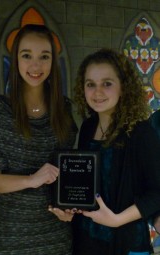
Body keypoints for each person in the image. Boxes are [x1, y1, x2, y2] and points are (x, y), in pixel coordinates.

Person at [0, 24, 78, 254]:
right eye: (27, 55)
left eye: (44, 56)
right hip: (10, 234)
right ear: (16, 60)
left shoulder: (64, 110)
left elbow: (68, 175)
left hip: (55, 234)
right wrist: (30, 180)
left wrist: (69, 208)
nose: (35, 65)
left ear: (53, 62)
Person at [68, 48, 160, 255]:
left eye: (107, 84)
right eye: (90, 84)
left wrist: (116, 220)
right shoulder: (88, 127)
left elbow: (157, 193)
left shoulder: (141, 132)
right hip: (86, 240)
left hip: (127, 242)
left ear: (123, 88)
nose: (97, 92)